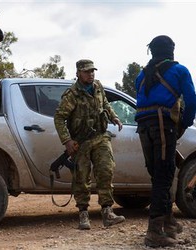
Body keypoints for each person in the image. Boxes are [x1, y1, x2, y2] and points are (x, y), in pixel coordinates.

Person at [135, 35, 196, 247]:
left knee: (157, 175)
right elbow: (192, 99)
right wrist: (184, 124)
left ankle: (169, 223)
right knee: (164, 175)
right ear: (171, 50)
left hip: (143, 127)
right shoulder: (180, 71)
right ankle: (154, 232)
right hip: (162, 125)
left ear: (152, 51)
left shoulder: (141, 75)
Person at [54, 59, 125, 230]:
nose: (91, 74)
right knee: (82, 178)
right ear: (78, 73)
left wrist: (113, 116)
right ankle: (83, 215)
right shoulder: (72, 95)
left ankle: (107, 212)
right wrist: (67, 141)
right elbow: (59, 118)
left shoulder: (98, 86)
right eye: (87, 71)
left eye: (92, 71)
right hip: (81, 141)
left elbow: (105, 103)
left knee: (106, 171)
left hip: (101, 137)